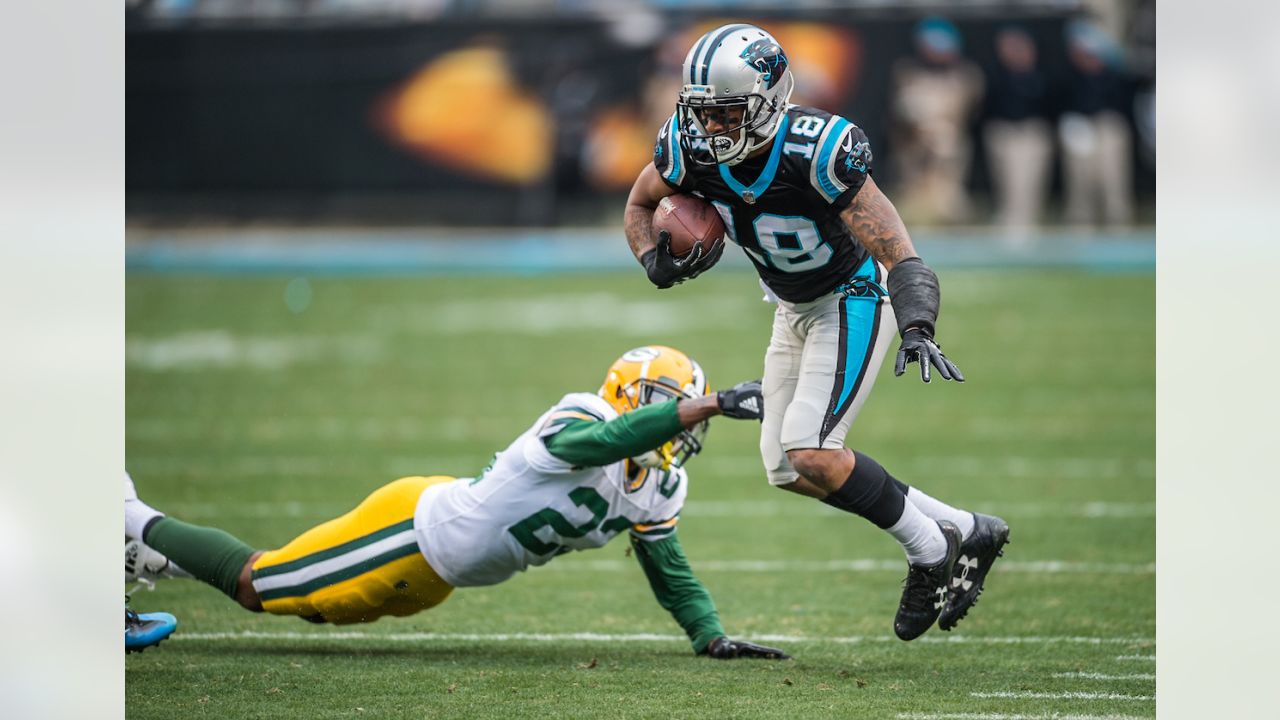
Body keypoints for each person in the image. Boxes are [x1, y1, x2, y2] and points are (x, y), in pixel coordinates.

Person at [623, 24, 1008, 640]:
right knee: (785, 467)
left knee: (812, 448)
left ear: (769, 100)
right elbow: (640, 203)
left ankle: (930, 553)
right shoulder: (688, 148)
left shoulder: (818, 149)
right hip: (790, 307)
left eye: (726, 112)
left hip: (852, 297)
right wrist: (652, 259)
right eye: (701, 114)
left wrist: (916, 322)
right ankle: (966, 528)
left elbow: (899, 251)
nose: (711, 129)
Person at [123, 346, 788, 660]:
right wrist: (708, 402)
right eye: (670, 410)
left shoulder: (663, 485)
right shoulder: (580, 418)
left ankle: (148, 558)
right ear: (627, 396)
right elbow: (610, 439)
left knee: (312, 609)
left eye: (690, 419)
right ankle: (127, 514)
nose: (683, 428)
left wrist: (710, 635)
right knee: (255, 584)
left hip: (439, 579)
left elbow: (667, 564)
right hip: (410, 530)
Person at [982, 25, 1054, 239]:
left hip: (1032, 133)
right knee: (1007, 184)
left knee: (1028, 185)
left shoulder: (1042, 75)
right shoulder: (995, 75)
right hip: (1003, 133)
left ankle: (1026, 227)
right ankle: (1010, 226)